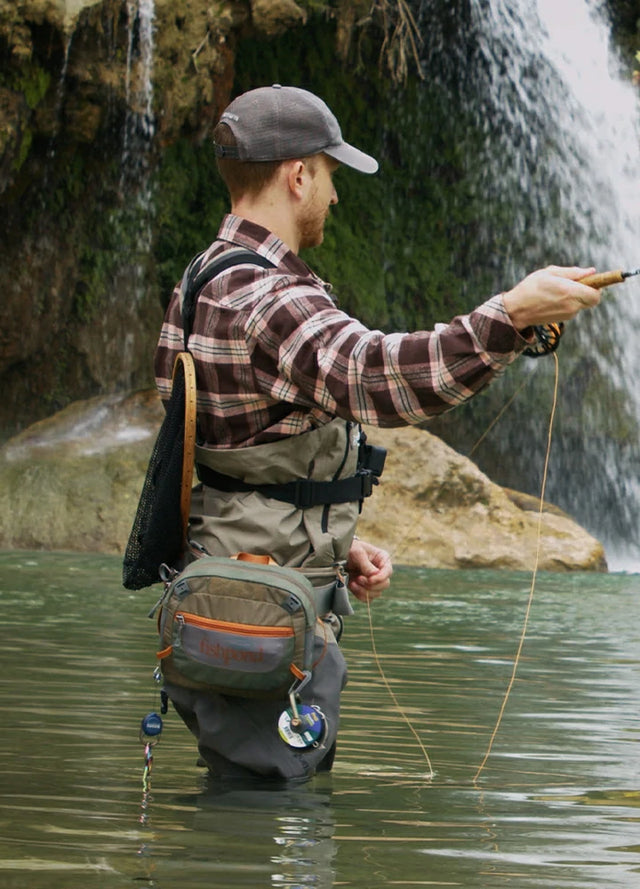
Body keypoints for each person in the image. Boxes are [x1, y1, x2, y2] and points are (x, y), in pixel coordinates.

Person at [154, 84, 600, 780]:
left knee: (246, 803)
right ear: (297, 174)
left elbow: (218, 450)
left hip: (221, 601)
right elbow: (375, 376)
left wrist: (330, 534)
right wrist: (510, 314)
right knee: (273, 822)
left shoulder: (198, 281)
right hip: (266, 616)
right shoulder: (271, 295)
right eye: (330, 176)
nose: (335, 196)